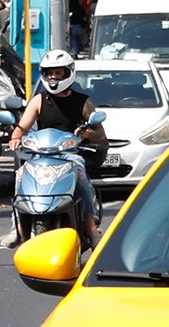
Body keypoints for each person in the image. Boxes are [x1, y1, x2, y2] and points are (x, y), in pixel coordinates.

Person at [8, 48, 105, 234]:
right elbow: (22, 126)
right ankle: (17, 227)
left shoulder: (82, 102)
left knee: (83, 181)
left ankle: (91, 227)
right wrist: (16, 137)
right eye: (49, 73)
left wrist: (87, 134)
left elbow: (99, 132)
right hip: (40, 156)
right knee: (20, 176)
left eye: (58, 73)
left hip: (70, 157)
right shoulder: (39, 100)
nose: (53, 77)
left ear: (68, 73)